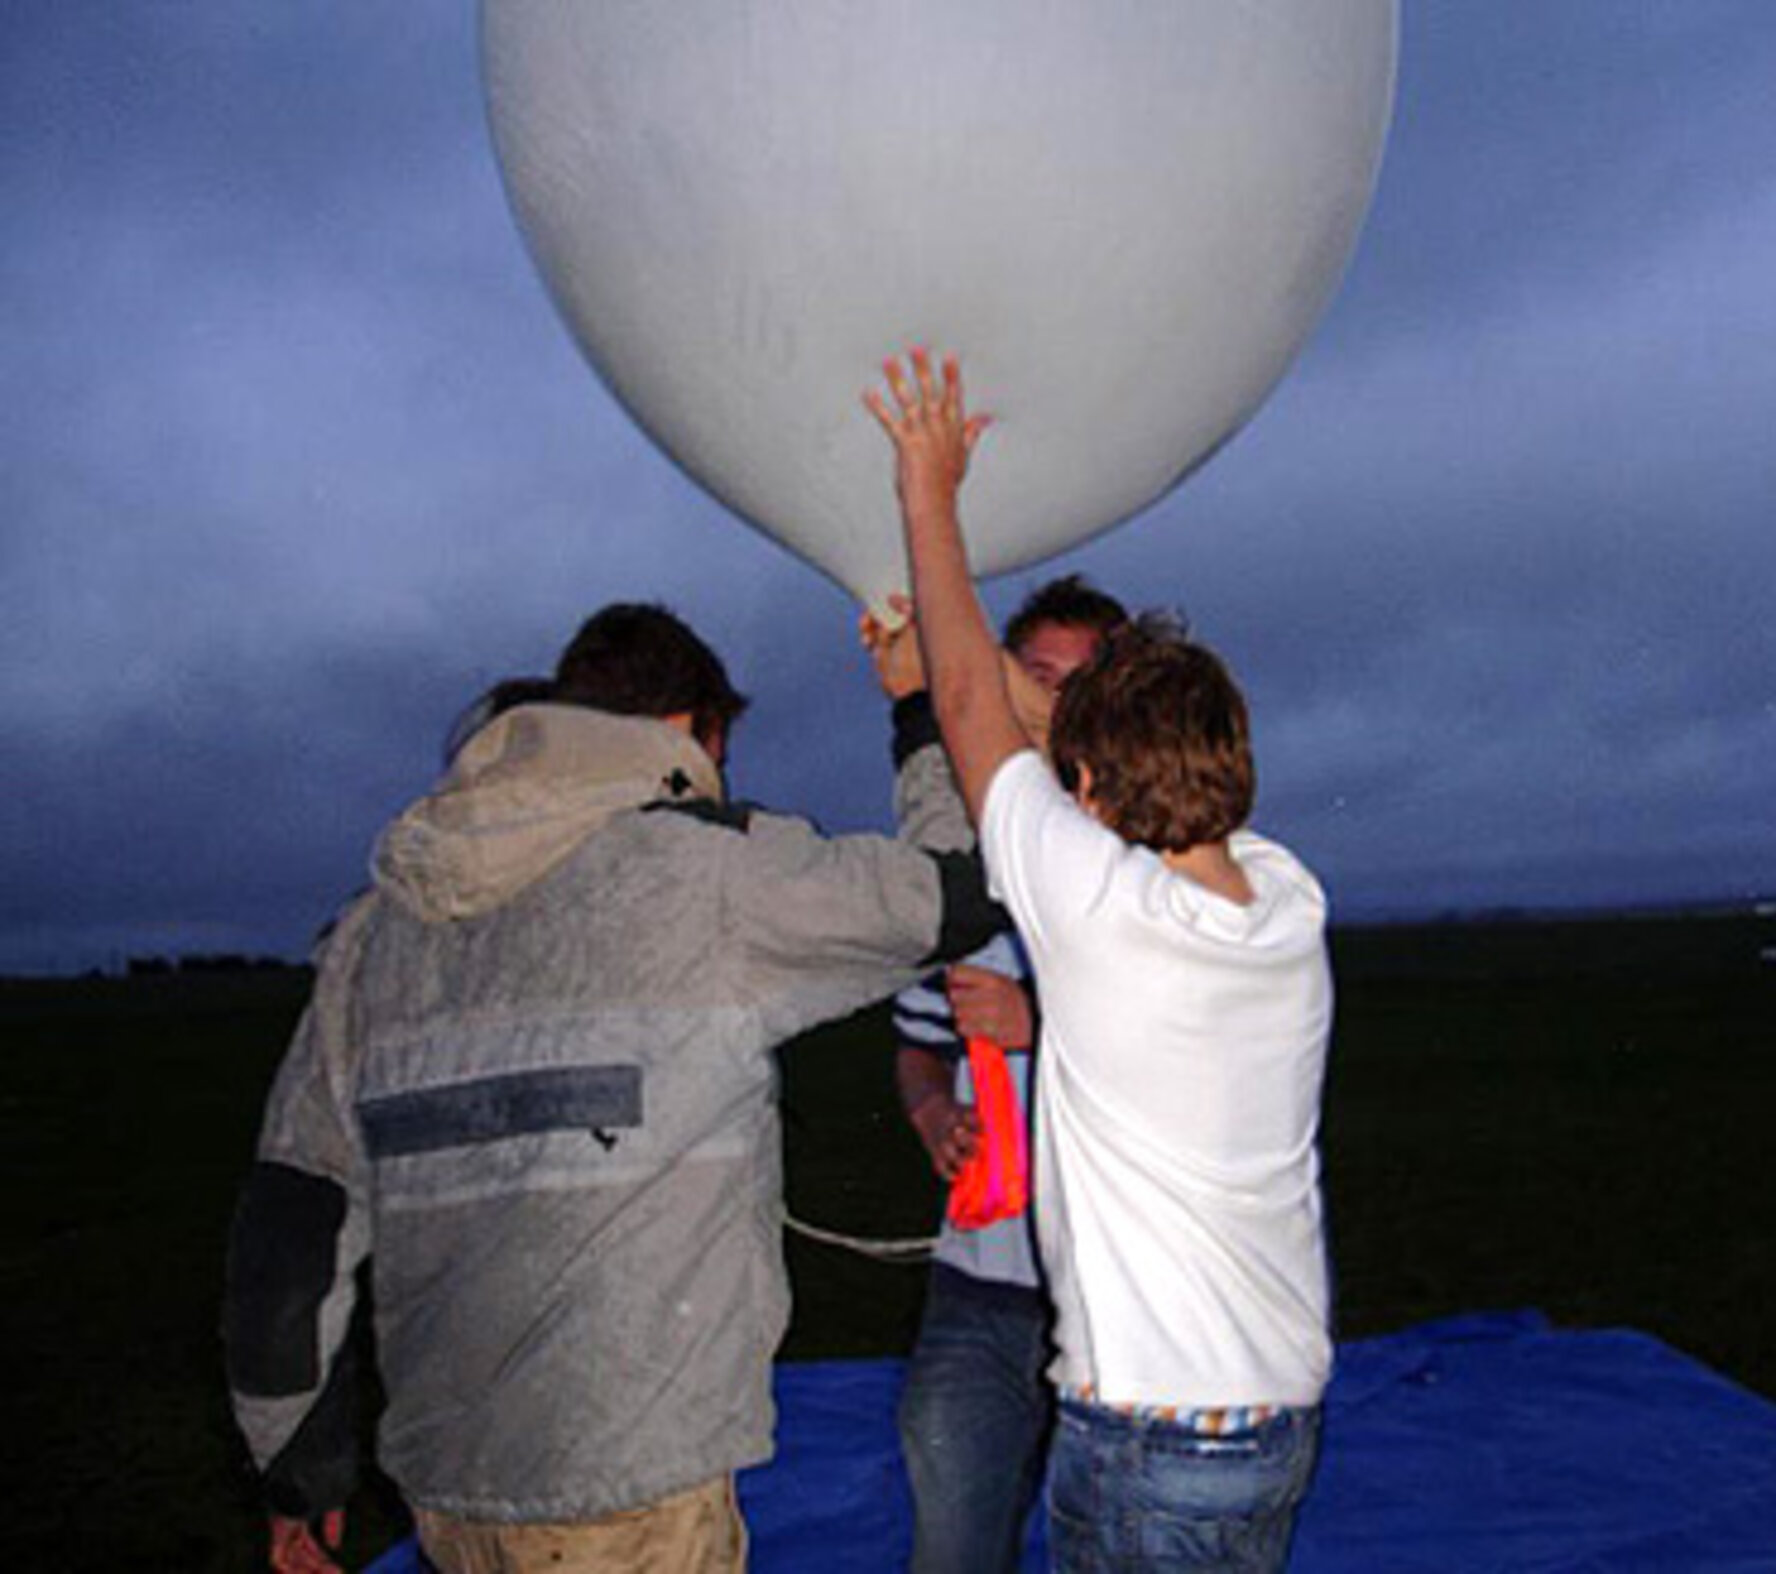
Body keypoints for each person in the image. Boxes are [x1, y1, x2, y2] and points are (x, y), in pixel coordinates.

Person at [223, 602, 1000, 1574]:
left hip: (451, 1497)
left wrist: (299, 1471)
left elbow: (292, 1232)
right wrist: (920, 703)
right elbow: (964, 883)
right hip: (635, 1495)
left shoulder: (373, 931)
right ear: (688, 732)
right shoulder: (699, 872)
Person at [865, 350, 1334, 1571]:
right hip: (1274, 1426)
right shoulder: (1283, 901)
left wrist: (929, 489)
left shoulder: (1100, 913)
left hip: (1148, 1443)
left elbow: (972, 710)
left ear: (1083, 789)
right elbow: (1043, 732)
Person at [878, 577, 1128, 1574]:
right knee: (952, 1543)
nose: (1059, 703)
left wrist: (1044, 1024)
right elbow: (918, 1039)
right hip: (975, 1284)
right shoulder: (971, 855)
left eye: (1086, 680)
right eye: (1038, 677)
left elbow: (1200, 1041)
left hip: (1112, 1295)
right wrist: (935, 1106)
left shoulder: (1152, 853)